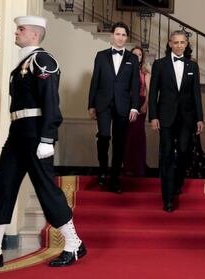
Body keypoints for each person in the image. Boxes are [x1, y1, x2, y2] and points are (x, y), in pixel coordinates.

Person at [0, 16, 86, 270]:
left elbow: (51, 101)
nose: (16, 33)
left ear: (34, 35)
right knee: (3, 187)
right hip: (18, 132)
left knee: (45, 189)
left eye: (21, 29)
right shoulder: (23, 62)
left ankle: (74, 243)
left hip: (35, 133)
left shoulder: (42, 60)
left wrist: (47, 137)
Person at [149, 30, 203, 212]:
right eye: (176, 42)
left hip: (187, 118)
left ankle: (178, 182)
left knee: (183, 152)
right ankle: (168, 198)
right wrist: (153, 116)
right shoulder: (159, 65)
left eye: (182, 42)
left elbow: (196, 94)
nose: (179, 45)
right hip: (165, 117)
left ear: (186, 44)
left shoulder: (192, 66)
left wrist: (200, 118)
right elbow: (152, 93)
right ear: (170, 44)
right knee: (166, 156)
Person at [88, 22, 140, 193]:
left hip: (123, 106)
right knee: (103, 137)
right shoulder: (101, 56)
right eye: (118, 34)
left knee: (119, 143)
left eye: (124, 35)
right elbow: (94, 81)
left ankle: (116, 179)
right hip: (103, 103)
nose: (120, 38)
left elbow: (135, 85)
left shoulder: (132, 59)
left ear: (127, 37)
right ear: (112, 36)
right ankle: (103, 170)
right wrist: (91, 104)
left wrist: (134, 108)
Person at [123, 46, 150, 177]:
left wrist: (146, 105)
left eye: (140, 54)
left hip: (141, 103)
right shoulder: (125, 69)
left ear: (142, 57)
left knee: (138, 136)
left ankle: (138, 168)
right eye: (135, 54)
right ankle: (127, 167)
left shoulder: (145, 72)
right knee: (127, 136)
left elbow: (149, 91)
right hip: (127, 103)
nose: (137, 56)